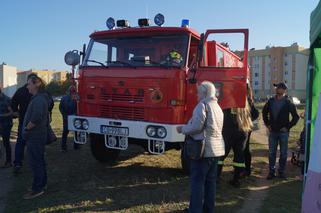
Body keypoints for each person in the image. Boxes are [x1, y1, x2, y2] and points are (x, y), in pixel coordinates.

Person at [177, 81, 225, 213]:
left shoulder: (202, 105)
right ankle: (208, 209)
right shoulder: (217, 107)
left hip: (203, 151)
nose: (196, 94)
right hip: (216, 150)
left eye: (198, 92)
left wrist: (182, 129)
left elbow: (196, 127)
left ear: (204, 93)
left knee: (197, 183)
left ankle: (195, 210)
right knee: (210, 183)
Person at [263, 82, 299, 179]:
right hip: (273, 132)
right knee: (271, 153)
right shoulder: (270, 101)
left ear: (284, 90)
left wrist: (287, 127)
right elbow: (264, 112)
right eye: (276, 87)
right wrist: (267, 124)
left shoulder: (288, 102)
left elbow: (296, 117)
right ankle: (271, 172)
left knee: (283, 153)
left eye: (278, 88)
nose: (276, 89)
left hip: (283, 133)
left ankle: (281, 172)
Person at [22, 75, 49, 199]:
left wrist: (27, 128)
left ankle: (37, 188)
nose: (27, 86)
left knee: (36, 162)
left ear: (36, 84)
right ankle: (42, 184)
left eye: (29, 84)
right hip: (36, 135)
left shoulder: (39, 100)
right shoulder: (38, 98)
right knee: (39, 161)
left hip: (35, 136)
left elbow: (37, 117)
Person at [217, 99, 253, 187]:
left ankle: (216, 178)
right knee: (239, 157)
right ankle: (237, 180)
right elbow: (255, 113)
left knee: (221, 155)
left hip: (229, 131)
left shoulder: (228, 102)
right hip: (243, 130)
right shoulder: (245, 102)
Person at [12, 73, 37, 173]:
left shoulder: (20, 91)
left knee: (21, 141)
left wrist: (17, 114)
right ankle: (27, 162)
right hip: (33, 121)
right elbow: (49, 103)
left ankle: (18, 162)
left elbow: (13, 104)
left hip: (26, 120)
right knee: (32, 141)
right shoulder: (36, 91)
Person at [243, 84, 259, 176]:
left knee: (244, 148)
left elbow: (256, 113)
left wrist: (248, 121)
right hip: (245, 127)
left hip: (245, 128)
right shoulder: (249, 99)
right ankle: (245, 169)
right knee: (244, 148)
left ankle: (247, 169)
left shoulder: (248, 100)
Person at [59, 86, 78, 151]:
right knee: (66, 132)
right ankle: (64, 147)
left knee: (75, 132)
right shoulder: (65, 98)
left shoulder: (76, 99)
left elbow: (78, 108)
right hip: (67, 118)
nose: (72, 93)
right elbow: (61, 107)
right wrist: (64, 115)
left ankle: (75, 145)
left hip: (72, 117)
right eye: (72, 92)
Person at [0, 88, 13, 168]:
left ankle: (8, 161)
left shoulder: (6, 99)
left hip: (6, 124)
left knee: (6, 143)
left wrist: (1, 116)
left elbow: (11, 113)